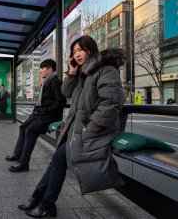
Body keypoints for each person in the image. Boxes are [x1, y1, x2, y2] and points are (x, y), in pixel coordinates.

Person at [19, 36, 127, 218]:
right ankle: (39, 200)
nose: (77, 54)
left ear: (91, 49)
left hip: (95, 131)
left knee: (58, 160)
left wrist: (92, 128)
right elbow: (66, 93)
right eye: (74, 51)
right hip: (78, 130)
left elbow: (112, 102)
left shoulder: (106, 70)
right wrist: (72, 72)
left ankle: (45, 203)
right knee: (57, 161)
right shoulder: (83, 74)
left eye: (81, 50)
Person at [5, 59, 66, 172]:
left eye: (43, 68)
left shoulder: (56, 82)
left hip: (48, 115)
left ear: (50, 70)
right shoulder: (46, 81)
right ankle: (17, 154)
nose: (41, 71)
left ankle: (24, 163)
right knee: (23, 127)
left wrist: (47, 110)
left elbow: (60, 102)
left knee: (30, 131)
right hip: (39, 113)